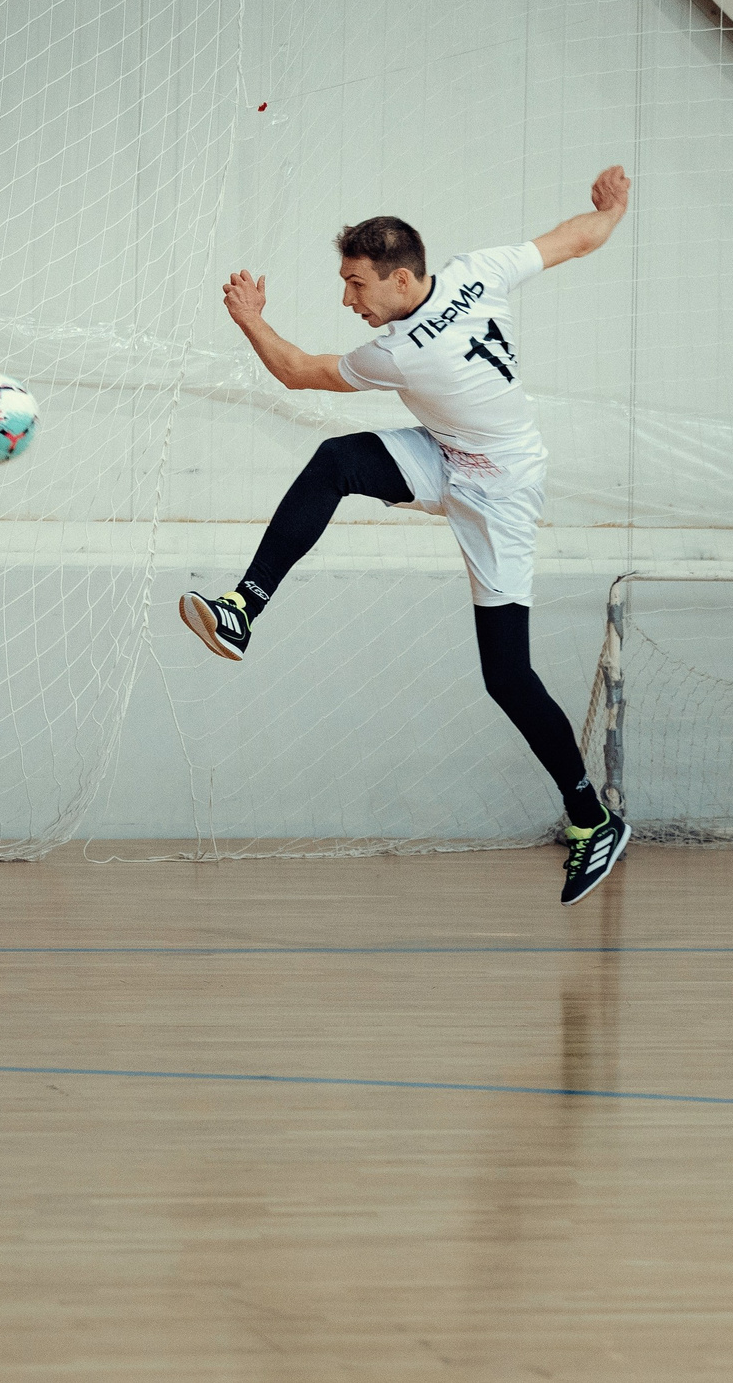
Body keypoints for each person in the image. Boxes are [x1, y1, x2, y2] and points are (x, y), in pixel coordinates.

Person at [178, 169, 634, 906]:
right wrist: (611, 211)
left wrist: (250, 318)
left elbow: (297, 372)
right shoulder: (478, 272)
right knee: (336, 462)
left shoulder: (403, 351)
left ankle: (591, 818)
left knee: (506, 677)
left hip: (502, 490)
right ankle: (244, 607)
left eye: (355, 284)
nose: (347, 299)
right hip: (448, 449)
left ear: (397, 277)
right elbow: (573, 240)